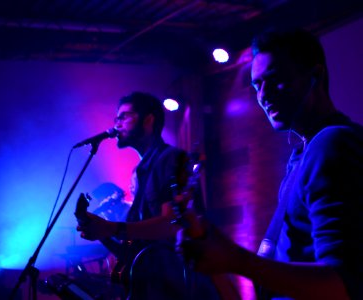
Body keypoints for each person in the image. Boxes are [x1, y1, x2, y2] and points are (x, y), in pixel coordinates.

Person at [177, 29, 363, 300]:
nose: (263, 95)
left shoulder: (333, 144)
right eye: (256, 85)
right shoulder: (303, 154)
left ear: (316, 76)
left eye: (274, 80)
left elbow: (344, 285)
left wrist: (234, 259)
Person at [77, 92, 220, 300]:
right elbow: (140, 249)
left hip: (176, 288)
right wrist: (102, 233)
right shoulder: (139, 172)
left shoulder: (171, 159)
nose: (116, 124)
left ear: (149, 120)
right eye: (116, 118)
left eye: (124, 116)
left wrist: (113, 228)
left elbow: (172, 224)